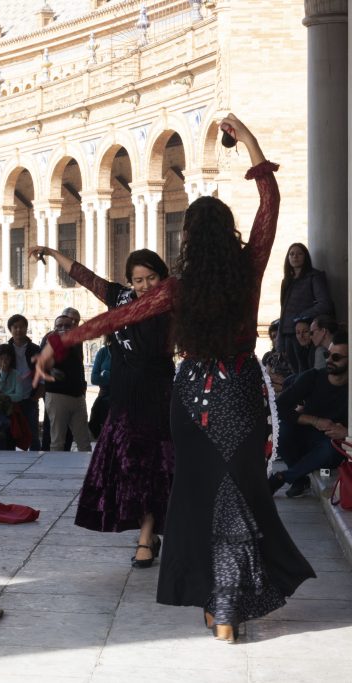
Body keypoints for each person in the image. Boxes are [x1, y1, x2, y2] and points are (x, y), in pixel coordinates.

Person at [34, 114, 314, 643]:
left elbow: (112, 317)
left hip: (191, 396)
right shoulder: (250, 266)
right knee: (239, 496)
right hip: (239, 391)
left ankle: (220, 600)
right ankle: (227, 604)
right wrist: (249, 141)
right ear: (228, 232)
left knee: (198, 498)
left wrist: (59, 342)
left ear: (188, 241)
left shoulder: (174, 289)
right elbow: (270, 203)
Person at [33, 245, 175, 568]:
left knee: (151, 466)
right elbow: (87, 277)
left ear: (161, 276)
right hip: (124, 395)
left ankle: (145, 537)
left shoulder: (166, 302)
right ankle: (147, 531)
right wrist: (54, 254)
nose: (144, 286)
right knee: (128, 468)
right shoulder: (121, 298)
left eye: (151, 277)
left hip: (156, 395)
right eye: (138, 280)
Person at [271, 332, 349, 498]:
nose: (328, 360)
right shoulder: (313, 377)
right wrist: (315, 420)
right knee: (281, 431)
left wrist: (346, 433)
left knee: (332, 448)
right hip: (306, 436)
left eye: (336, 357)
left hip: (331, 443)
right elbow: (279, 406)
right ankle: (298, 477)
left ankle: (284, 477)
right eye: (327, 354)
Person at [279, 242, 333, 372]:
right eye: (291, 254)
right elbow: (283, 311)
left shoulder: (314, 276)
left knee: (305, 371)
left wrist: (301, 316)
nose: (295, 257)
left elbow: (325, 304)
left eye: (299, 253)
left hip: (304, 332)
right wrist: (279, 339)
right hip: (287, 332)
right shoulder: (287, 280)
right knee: (294, 370)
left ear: (305, 256)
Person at [40, 313, 90, 452]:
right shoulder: (49, 341)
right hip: (57, 396)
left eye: (67, 326)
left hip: (77, 396)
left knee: (84, 441)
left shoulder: (76, 341)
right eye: (59, 326)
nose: (63, 328)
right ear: (54, 328)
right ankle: (57, 472)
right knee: (57, 440)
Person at [6, 314, 42, 450]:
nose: (18, 330)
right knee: (11, 430)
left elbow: (42, 372)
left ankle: (35, 460)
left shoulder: (35, 349)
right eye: (15, 327)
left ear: (26, 328)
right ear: (10, 329)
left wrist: (38, 394)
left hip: (29, 396)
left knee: (32, 430)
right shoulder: (6, 349)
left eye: (21, 326)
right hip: (10, 397)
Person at [88, 337, 112, 439]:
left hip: (123, 402)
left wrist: (105, 373)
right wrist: (113, 376)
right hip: (105, 399)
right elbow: (94, 379)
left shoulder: (130, 352)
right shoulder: (103, 352)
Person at [261, 319, 293, 395]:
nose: (277, 340)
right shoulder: (269, 357)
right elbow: (267, 381)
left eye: (279, 336)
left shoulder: (294, 356)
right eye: (274, 337)